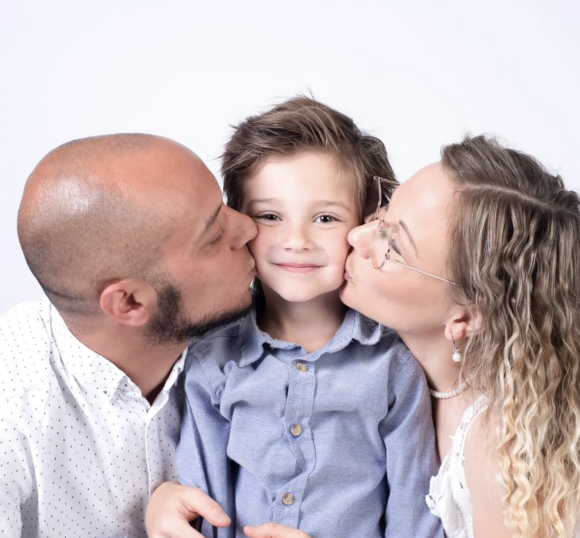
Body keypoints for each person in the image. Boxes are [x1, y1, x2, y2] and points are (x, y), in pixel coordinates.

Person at [146, 96, 443, 538]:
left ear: (364, 224)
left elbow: (413, 514)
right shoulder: (213, 360)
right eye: (270, 216)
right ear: (239, 224)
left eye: (324, 217)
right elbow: (202, 499)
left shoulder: (393, 365)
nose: (296, 240)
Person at [0, 134, 257, 538]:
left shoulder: (266, 338)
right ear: (131, 303)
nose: (248, 227)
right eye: (213, 236)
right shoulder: (11, 411)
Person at [340, 135, 580, 538]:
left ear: (465, 317)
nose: (357, 237)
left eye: (393, 245)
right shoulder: (376, 362)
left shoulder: (500, 449)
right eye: (384, 208)